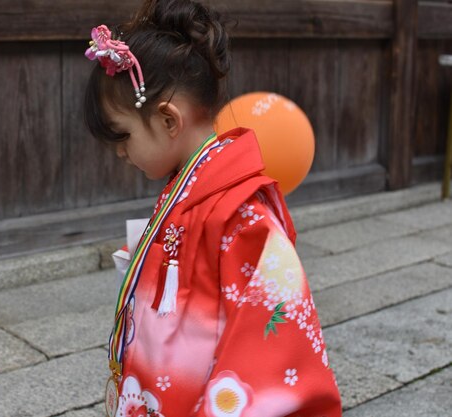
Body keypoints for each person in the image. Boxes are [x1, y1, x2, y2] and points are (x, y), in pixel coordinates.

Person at [83, 1, 343, 416]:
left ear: (169, 120)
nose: (120, 153)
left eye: (123, 137)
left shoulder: (243, 214)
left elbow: (271, 344)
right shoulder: (188, 183)